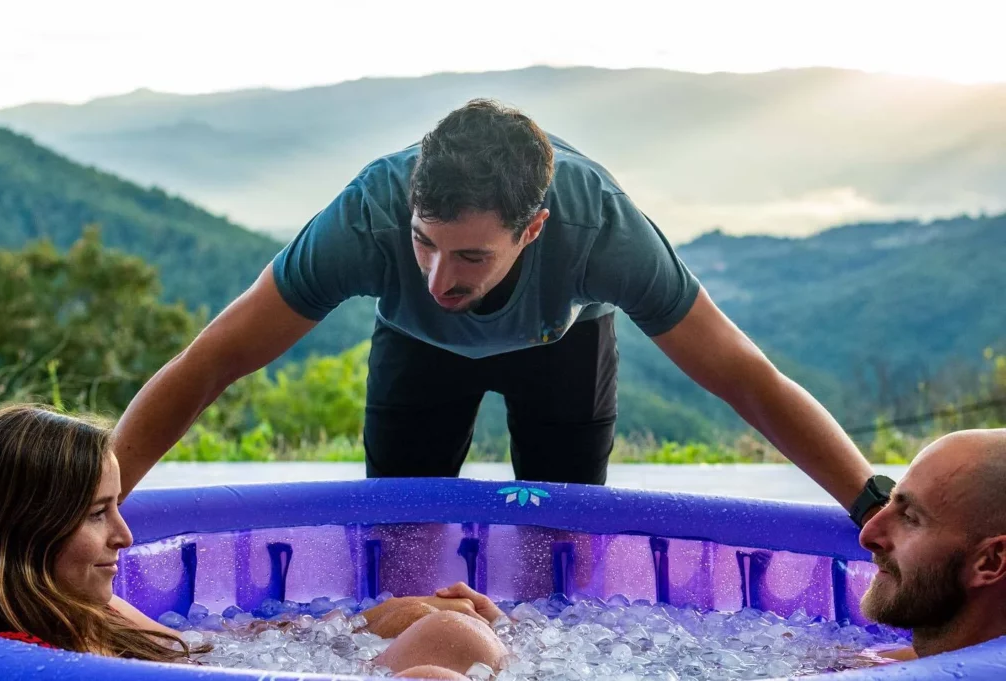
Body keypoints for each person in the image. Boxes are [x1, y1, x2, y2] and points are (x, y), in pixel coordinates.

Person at [111, 98, 886, 527]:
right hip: (416, 349)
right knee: (399, 538)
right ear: (409, 207)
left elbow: (745, 377)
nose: (441, 276)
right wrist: (90, 498)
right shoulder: (364, 217)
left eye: (472, 256)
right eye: (425, 244)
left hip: (565, 345)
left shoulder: (601, 231)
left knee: (562, 544)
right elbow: (211, 360)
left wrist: (867, 500)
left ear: (534, 229)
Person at [0, 405, 506, 679]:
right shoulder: (28, 657)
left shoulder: (82, 608)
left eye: (117, 506)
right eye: (98, 514)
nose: (125, 536)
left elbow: (208, 653)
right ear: (26, 528)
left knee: (457, 635)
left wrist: (373, 620)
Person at [858, 428, 1006, 661]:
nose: (867, 535)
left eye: (909, 517)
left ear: (991, 561)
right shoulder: (882, 663)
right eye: (889, 502)